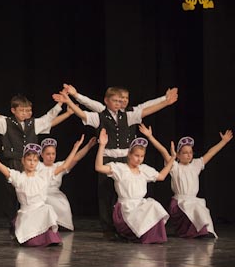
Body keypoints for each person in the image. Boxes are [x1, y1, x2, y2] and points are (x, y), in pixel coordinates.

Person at [55, 87, 178, 240]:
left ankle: (126, 226)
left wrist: (165, 102)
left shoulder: (128, 115)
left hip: (125, 159)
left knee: (123, 193)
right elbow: (82, 113)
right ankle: (108, 229)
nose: (118, 103)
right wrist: (69, 100)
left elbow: (146, 110)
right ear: (106, 101)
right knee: (106, 193)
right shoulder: (100, 116)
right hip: (107, 158)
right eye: (115, 100)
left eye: (120, 101)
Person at [0, 87, 71, 233]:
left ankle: (36, 225)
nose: (25, 113)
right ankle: (14, 224)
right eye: (22, 110)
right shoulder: (6, 123)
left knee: (34, 193)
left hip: (32, 165)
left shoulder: (33, 124)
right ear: (13, 110)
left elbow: (48, 117)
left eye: (28, 110)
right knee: (13, 196)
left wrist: (59, 105)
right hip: (14, 163)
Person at [0, 131, 83, 246]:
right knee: (28, 236)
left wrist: (76, 148)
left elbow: (64, 166)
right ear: (23, 161)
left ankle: (46, 237)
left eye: (35, 160)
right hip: (26, 212)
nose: (32, 163)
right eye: (29, 160)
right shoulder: (18, 177)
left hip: (40, 210)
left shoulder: (43, 176)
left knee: (48, 209)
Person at [139, 124, 233, 238]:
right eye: (185, 153)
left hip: (193, 201)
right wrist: (150, 136)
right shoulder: (175, 166)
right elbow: (163, 151)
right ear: (178, 155)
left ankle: (203, 232)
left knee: (201, 208)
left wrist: (223, 141)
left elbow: (210, 153)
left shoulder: (196, 164)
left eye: (190, 152)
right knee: (194, 208)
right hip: (180, 202)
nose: (189, 155)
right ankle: (192, 232)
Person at [95, 128, 175, 243]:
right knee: (150, 207)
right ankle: (138, 234)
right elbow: (99, 167)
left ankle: (149, 236)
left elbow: (161, 176)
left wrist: (172, 159)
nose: (139, 159)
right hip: (126, 209)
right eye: (136, 155)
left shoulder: (144, 170)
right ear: (129, 154)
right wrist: (102, 145)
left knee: (153, 205)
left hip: (139, 206)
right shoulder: (120, 168)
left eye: (142, 156)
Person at [38, 136, 97, 230]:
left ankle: (59, 225)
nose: (51, 156)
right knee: (48, 201)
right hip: (42, 193)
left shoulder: (58, 165)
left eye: (53, 154)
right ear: (42, 154)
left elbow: (76, 158)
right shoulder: (38, 166)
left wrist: (88, 146)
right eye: (48, 154)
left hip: (56, 194)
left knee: (64, 205)